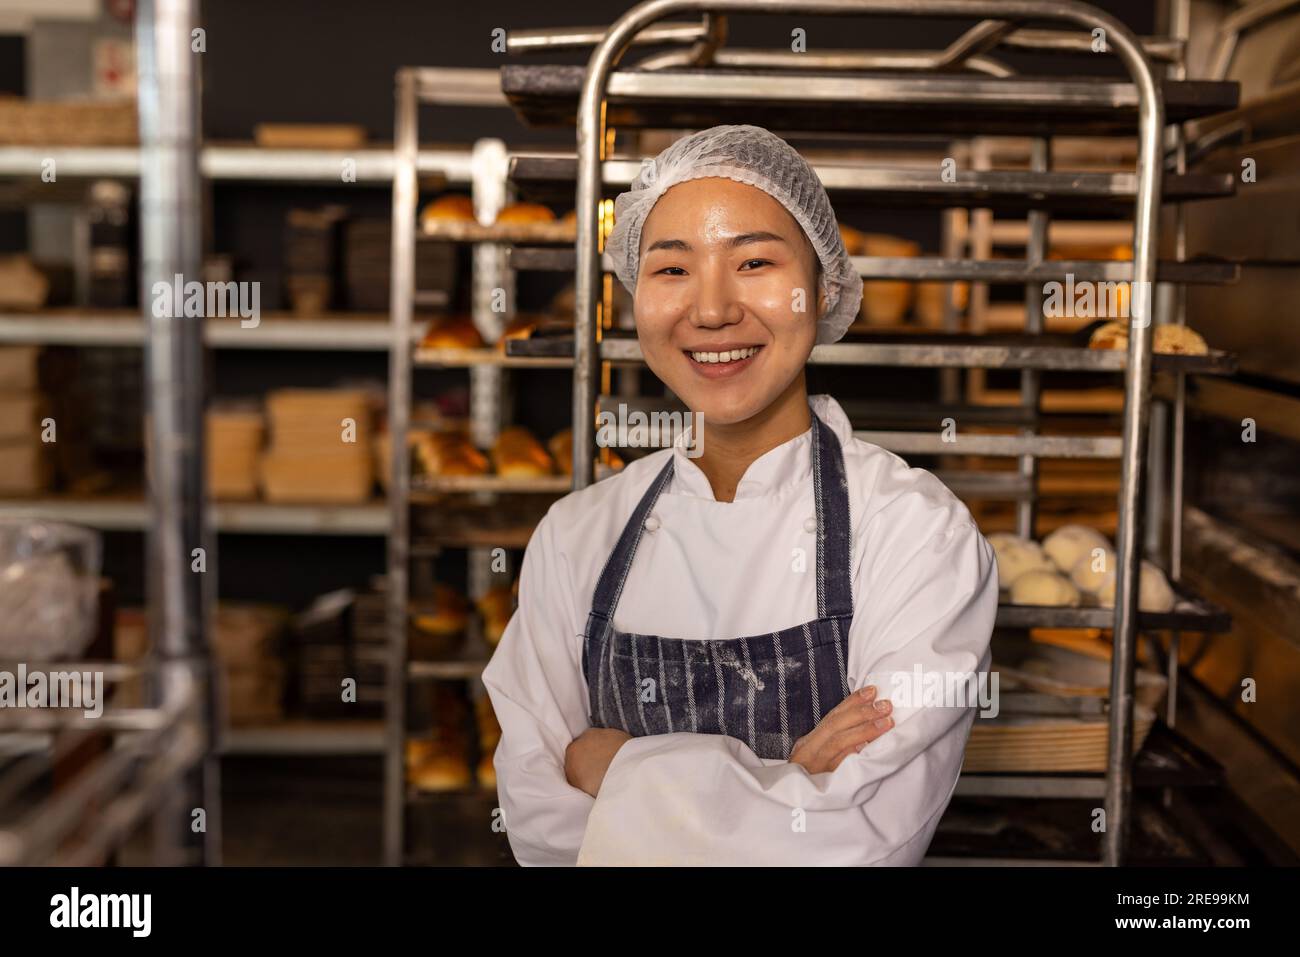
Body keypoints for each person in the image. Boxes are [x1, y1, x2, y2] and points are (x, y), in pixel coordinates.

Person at [481, 124, 997, 866]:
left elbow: (863, 838)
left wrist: (611, 766)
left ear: (822, 290)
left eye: (754, 261)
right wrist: (788, 776)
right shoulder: (577, 535)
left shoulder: (916, 532)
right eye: (670, 270)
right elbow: (538, 823)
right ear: (633, 297)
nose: (713, 310)